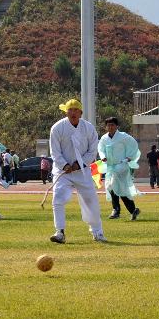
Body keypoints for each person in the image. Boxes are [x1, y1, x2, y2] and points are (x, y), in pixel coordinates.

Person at [49, 99, 105, 243]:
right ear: (66, 112)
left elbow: (92, 151)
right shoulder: (57, 128)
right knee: (58, 198)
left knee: (91, 200)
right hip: (63, 172)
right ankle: (59, 232)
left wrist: (78, 165)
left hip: (83, 170)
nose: (73, 113)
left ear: (80, 112)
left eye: (76, 110)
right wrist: (65, 165)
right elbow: (54, 151)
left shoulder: (89, 128)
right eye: (70, 110)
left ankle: (97, 232)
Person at [99, 117, 141, 220]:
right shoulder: (104, 138)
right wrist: (103, 157)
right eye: (108, 125)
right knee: (115, 187)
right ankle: (133, 210)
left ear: (117, 126)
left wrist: (129, 157)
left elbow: (133, 145)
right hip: (110, 166)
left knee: (114, 186)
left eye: (112, 125)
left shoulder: (123, 136)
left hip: (121, 166)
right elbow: (100, 149)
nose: (110, 127)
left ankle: (116, 210)